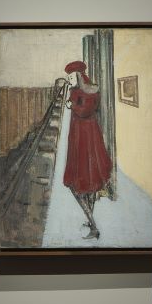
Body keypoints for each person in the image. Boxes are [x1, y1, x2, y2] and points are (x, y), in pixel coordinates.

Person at [60, 60, 115, 238]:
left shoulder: (87, 91)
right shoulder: (81, 90)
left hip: (84, 136)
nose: (69, 80)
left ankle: (94, 227)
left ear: (78, 75)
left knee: (78, 182)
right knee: (88, 180)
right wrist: (72, 102)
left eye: (71, 77)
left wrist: (72, 106)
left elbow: (85, 110)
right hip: (84, 135)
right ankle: (91, 220)